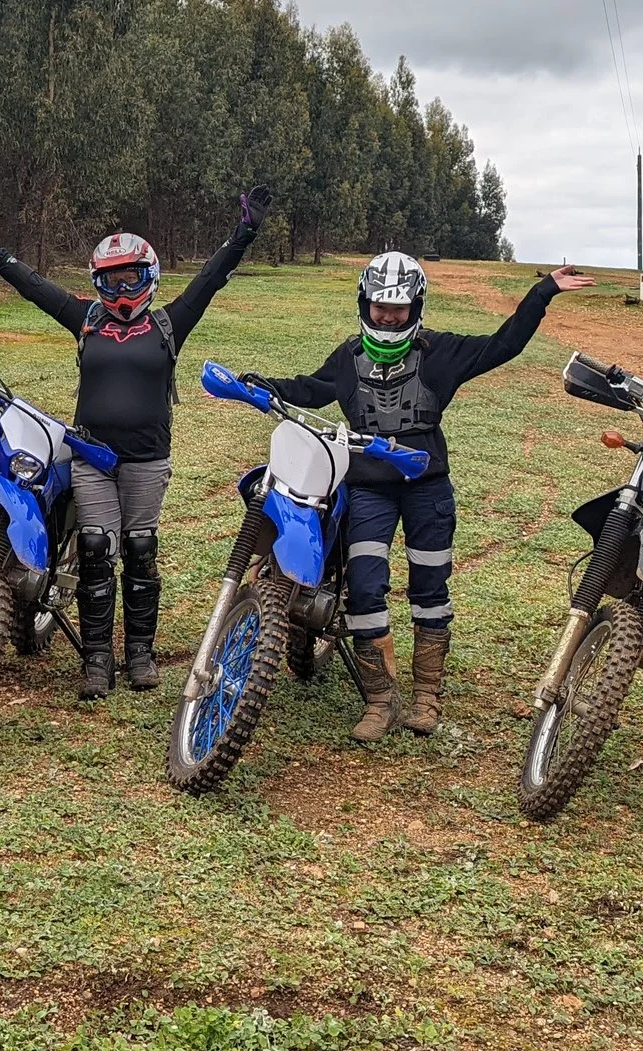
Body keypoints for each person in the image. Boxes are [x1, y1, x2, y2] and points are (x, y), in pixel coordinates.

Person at [247, 254, 578, 742]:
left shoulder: (440, 352)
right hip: (366, 489)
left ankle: (426, 696)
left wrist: (541, 292)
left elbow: (502, 345)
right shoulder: (348, 356)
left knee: (430, 589)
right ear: (365, 303)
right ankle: (380, 700)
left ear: (416, 306)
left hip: (427, 488)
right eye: (380, 305)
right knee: (363, 586)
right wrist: (265, 385)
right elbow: (313, 388)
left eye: (399, 308)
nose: (388, 316)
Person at [0, 190, 272, 699]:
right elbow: (35, 288)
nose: (121, 286)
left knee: (140, 550)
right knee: (94, 550)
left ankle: (140, 656)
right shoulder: (86, 318)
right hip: (92, 455)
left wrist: (244, 233)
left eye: (130, 276)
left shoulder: (169, 323)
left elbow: (210, 278)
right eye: (111, 278)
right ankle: (96, 661)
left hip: (148, 457)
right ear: (97, 282)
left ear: (148, 276)